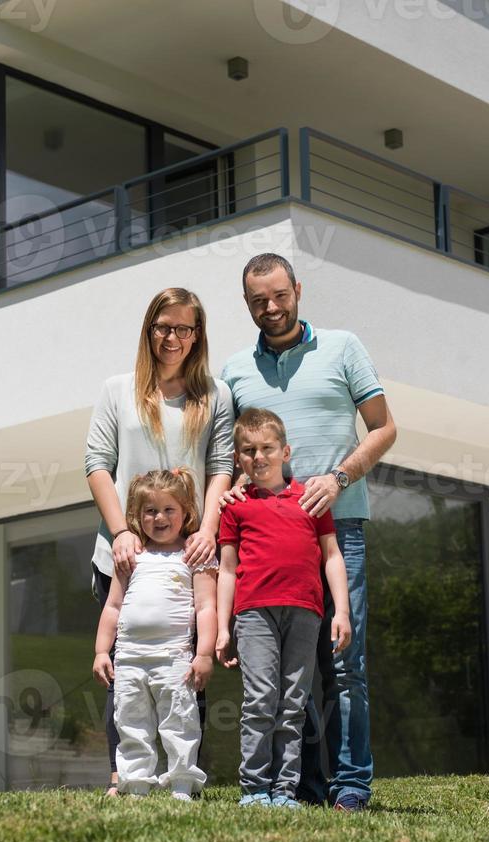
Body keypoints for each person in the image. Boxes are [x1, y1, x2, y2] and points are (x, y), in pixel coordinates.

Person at [221, 254, 397, 811]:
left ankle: (350, 787)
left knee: (342, 662)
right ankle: (298, 787)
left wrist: (341, 475)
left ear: (297, 290)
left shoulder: (343, 347)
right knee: (282, 672)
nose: (270, 308)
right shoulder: (234, 371)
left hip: (335, 526)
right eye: (257, 301)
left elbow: (385, 428)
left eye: (279, 295)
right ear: (246, 304)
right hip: (266, 537)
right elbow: (229, 454)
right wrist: (223, 491)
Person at [85, 288, 234, 796]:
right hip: (125, 556)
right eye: (163, 327)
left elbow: (221, 469)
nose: (173, 338)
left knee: (187, 669)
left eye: (184, 329)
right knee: (125, 670)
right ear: (149, 330)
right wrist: (122, 530)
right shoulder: (116, 390)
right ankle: (121, 776)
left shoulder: (214, 395)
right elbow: (97, 465)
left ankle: (183, 776)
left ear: (198, 336)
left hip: (187, 560)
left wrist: (208, 531)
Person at [216, 408, 351, 808]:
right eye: (248, 450)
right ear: (239, 459)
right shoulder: (235, 506)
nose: (258, 457)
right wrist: (224, 627)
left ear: (285, 451)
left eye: (267, 448)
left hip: (306, 612)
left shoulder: (311, 499)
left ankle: (285, 790)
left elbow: (332, 555)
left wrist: (340, 611)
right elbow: (226, 569)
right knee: (260, 699)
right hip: (253, 612)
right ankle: (255, 788)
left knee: (292, 703)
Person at [93, 468, 217, 800]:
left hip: (174, 658)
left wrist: (203, 654)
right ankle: (134, 785)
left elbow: (207, 608)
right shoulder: (131, 556)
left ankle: (182, 785)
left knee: (180, 723)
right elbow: (113, 606)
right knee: (131, 724)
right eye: (150, 511)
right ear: (137, 515)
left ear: (185, 512)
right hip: (130, 658)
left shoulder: (194, 555)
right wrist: (102, 651)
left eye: (168, 510)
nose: (159, 517)